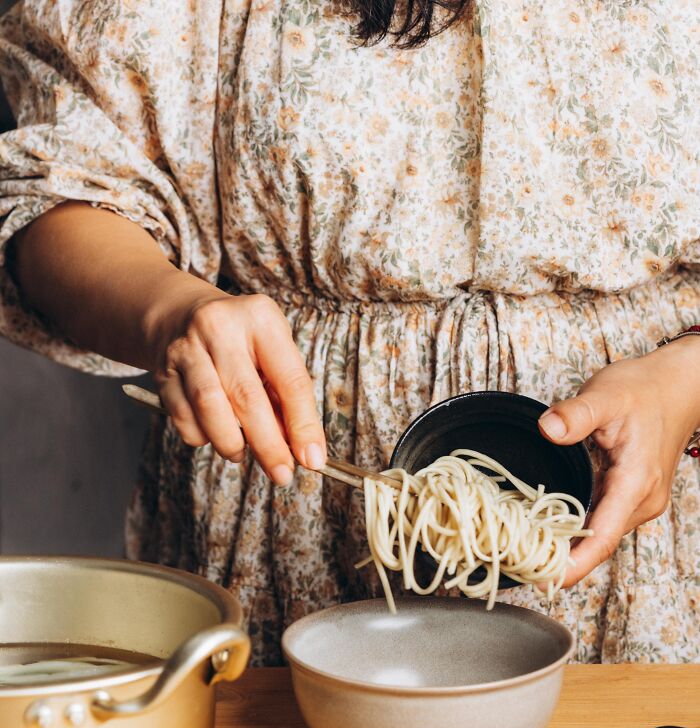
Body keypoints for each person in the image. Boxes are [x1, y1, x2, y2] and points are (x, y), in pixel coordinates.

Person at [0, 0, 698, 665]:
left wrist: (683, 386)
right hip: (282, 513)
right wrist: (167, 309)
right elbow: (63, 186)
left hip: (647, 532)